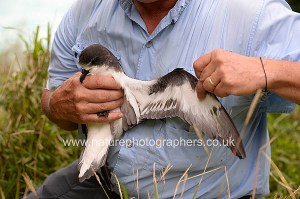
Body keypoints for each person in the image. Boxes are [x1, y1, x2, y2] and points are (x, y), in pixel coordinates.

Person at [27, 0, 300, 198]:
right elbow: (53, 104)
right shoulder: (86, 11)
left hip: (204, 194)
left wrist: (266, 70)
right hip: (104, 183)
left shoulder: (250, 14)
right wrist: (57, 105)